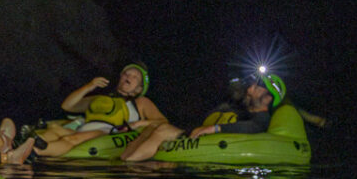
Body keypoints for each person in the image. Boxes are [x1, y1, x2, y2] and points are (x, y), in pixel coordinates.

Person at [0, 63, 166, 164]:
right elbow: (68, 106)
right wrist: (90, 86)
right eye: (126, 73)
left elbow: (161, 122)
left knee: (71, 139)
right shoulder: (101, 99)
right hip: (85, 127)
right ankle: (13, 148)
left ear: (139, 88)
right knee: (55, 130)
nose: (128, 76)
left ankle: (34, 152)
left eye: (134, 76)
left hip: (107, 133)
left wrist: (138, 124)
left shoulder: (141, 103)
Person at [120, 70, 291, 163]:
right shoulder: (239, 109)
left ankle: (128, 167)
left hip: (211, 144)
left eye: (258, 85)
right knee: (152, 128)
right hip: (201, 139)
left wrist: (213, 128)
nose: (252, 86)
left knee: (162, 130)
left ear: (268, 98)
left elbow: (253, 128)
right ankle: (123, 161)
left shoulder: (261, 119)